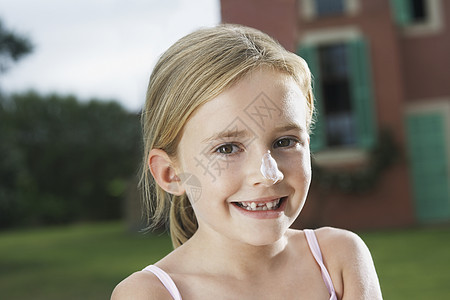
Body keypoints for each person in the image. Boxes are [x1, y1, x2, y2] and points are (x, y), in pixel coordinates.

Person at [111, 24, 382, 300]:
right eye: (227, 148)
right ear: (171, 174)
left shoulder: (338, 259)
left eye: (285, 142)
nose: (268, 174)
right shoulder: (151, 294)